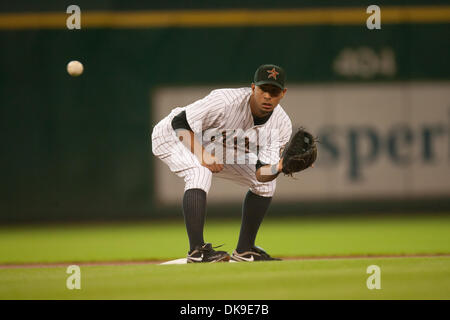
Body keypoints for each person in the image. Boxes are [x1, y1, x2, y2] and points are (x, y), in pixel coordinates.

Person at [151, 64, 292, 262]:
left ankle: (244, 250)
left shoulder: (282, 124)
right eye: (263, 89)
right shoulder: (225, 101)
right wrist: (202, 155)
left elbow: (261, 173)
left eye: (274, 91)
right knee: (199, 172)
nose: (268, 96)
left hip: (214, 143)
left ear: (283, 93)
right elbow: (179, 122)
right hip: (172, 135)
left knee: (267, 184)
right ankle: (197, 251)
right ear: (253, 88)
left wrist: (279, 167)